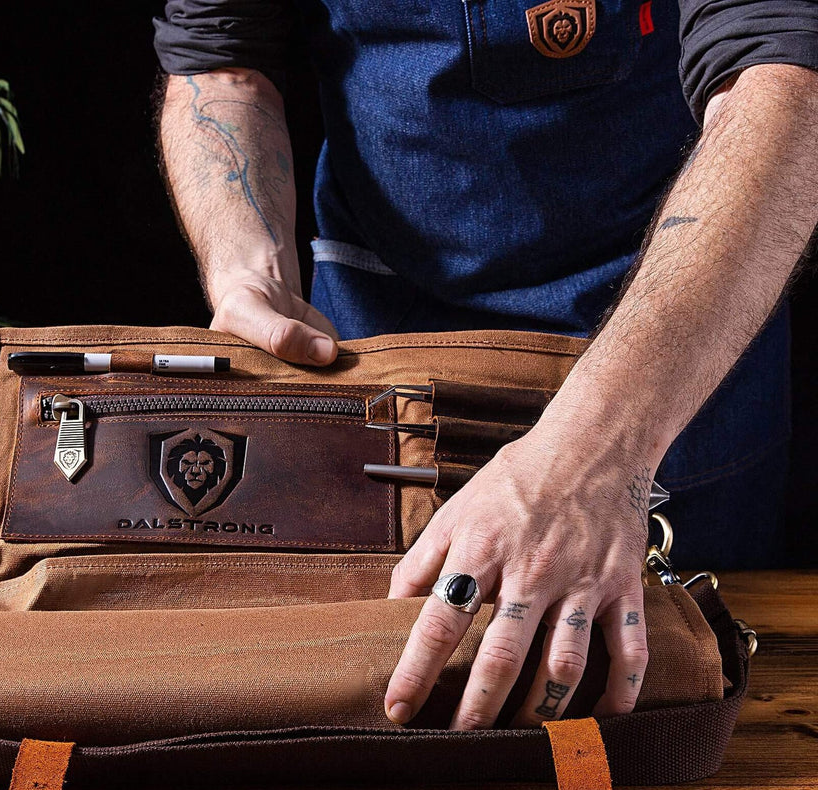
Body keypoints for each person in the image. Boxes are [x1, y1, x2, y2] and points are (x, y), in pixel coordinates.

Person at [152, 1, 818, 730]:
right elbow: (219, 56)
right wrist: (247, 271)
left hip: (671, 373)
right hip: (379, 375)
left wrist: (597, 454)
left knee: (678, 727)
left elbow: (784, 74)